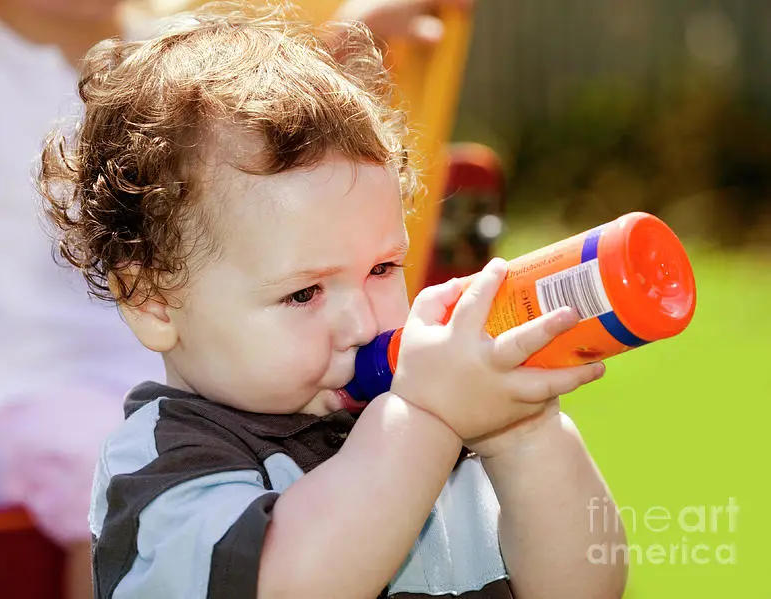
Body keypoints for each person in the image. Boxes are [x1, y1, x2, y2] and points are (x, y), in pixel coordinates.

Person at [0, 1, 480, 597]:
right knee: (107, 464)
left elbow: (250, 157)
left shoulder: (162, 42)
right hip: (0, 398)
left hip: (152, 369)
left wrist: (350, 35)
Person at [39, 3, 628, 598]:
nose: (361, 322)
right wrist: (425, 421)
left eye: (381, 268)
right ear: (154, 301)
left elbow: (586, 586)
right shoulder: (166, 466)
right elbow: (291, 583)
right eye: (304, 292)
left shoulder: (439, 416)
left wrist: (523, 435)